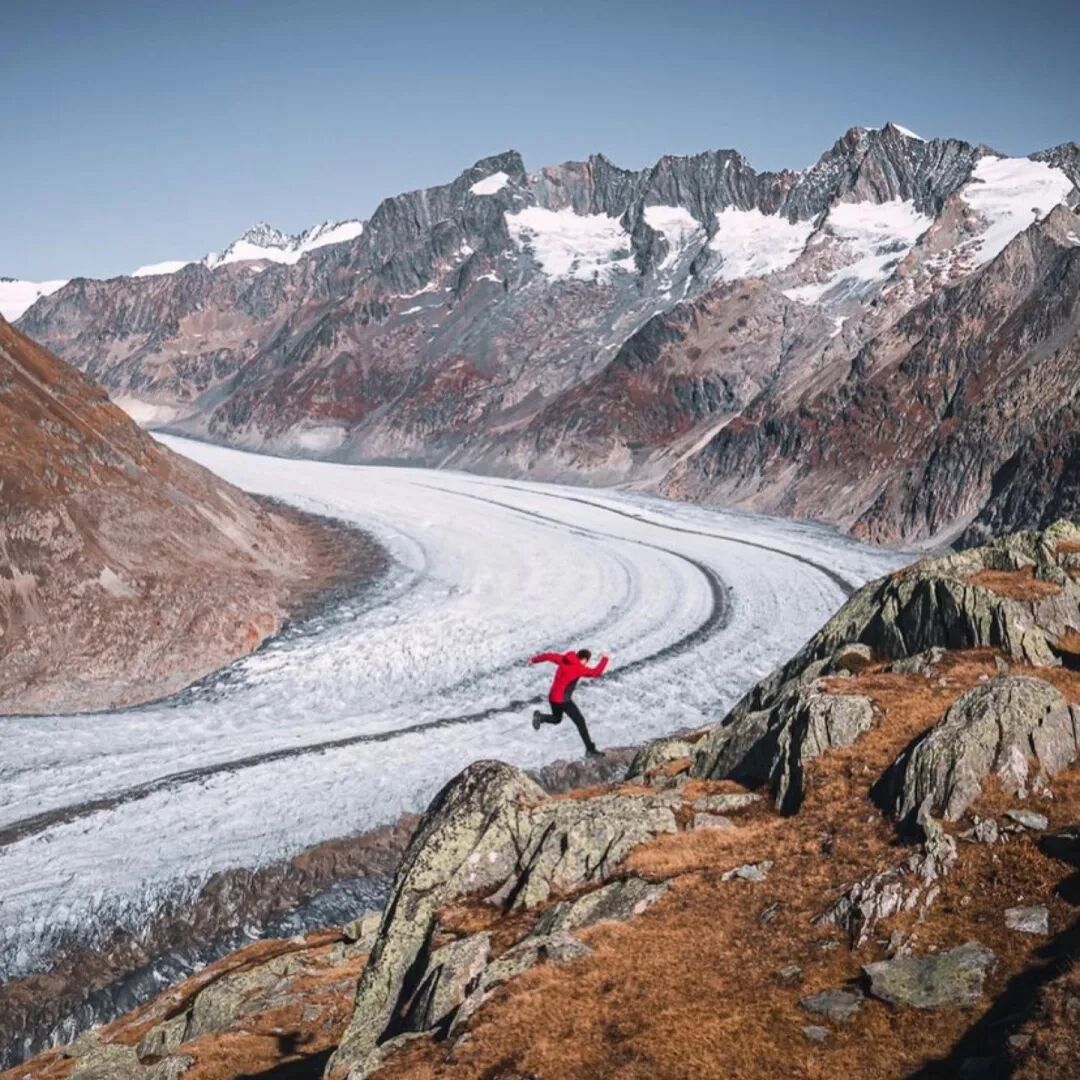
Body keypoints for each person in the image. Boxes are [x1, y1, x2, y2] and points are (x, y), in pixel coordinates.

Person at [528, 647, 609, 756]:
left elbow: (548, 656)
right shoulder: (579, 668)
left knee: (557, 719)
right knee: (580, 722)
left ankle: (540, 717)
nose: (586, 664)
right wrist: (605, 658)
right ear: (584, 659)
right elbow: (596, 672)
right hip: (563, 700)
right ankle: (590, 750)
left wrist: (533, 660)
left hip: (552, 697)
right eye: (586, 662)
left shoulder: (563, 659)